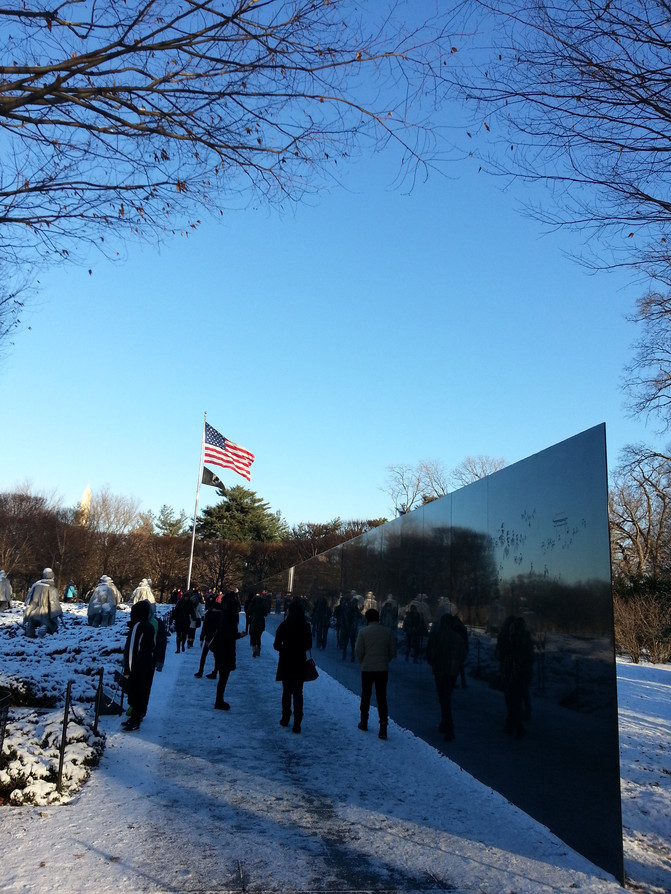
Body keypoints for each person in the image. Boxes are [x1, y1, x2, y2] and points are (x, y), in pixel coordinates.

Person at [355, 608, 397, 740]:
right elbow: (392, 651)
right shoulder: (387, 632)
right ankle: (383, 727)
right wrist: (385, 661)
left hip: (367, 668)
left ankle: (364, 722)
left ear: (367, 619)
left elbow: (358, 650)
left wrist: (363, 661)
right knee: (381, 697)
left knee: (366, 695)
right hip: (382, 669)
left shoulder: (363, 632)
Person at [426, 612, 468, 741]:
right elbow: (463, 655)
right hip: (452, 672)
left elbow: (430, 652)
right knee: (446, 698)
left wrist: (434, 662)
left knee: (444, 700)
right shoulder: (458, 638)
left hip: (440, 671)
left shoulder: (437, 635)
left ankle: (449, 728)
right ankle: (445, 724)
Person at [273, 598, 312, 733]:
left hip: (286, 661)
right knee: (298, 693)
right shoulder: (306, 626)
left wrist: (285, 648)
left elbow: (276, 645)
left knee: (286, 692)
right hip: (300, 662)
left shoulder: (284, 625)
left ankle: (285, 717)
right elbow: (309, 645)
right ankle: (297, 722)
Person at [496, 615, 534, 740]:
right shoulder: (525, 639)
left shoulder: (512, 641)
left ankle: (516, 726)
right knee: (516, 699)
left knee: (512, 701)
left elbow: (503, 656)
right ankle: (513, 723)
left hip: (513, 674)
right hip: (521, 674)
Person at [120, 600, 156, 731]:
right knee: (141, 692)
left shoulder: (138, 626)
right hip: (145, 665)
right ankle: (136, 717)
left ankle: (135, 719)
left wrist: (128, 668)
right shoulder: (148, 626)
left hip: (137, 666)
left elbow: (132, 649)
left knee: (135, 693)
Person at [210, 591, 245, 710]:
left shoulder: (224, 615)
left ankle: (219, 699)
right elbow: (228, 635)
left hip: (221, 648)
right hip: (226, 649)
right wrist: (238, 635)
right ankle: (219, 700)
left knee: (223, 676)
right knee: (224, 676)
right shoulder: (230, 618)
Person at [24, 568, 63, 637]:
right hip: (45, 612)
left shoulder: (36, 586)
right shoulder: (52, 588)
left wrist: (28, 607)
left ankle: (30, 632)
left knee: (32, 623)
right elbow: (54, 602)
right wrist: (58, 612)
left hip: (34, 610)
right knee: (45, 623)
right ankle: (42, 632)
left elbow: (29, 598)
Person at [194, 598, 223, 678]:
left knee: (204, 655)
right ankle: (215, 672)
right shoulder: (222, 615)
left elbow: (205, 627)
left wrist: (201, 637)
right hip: (217, 638)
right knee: (216, 656)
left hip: (208, 637)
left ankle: (200, 671)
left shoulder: (209, 614)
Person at [247, 591, 268, 658]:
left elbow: (248, 612)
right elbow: (266, 614)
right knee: (258, 638)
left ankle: (254, 650)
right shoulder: (262, 606)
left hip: (254, 622)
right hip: (261, 623)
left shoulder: (253, 606)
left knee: (253, 637)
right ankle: (258, 650)